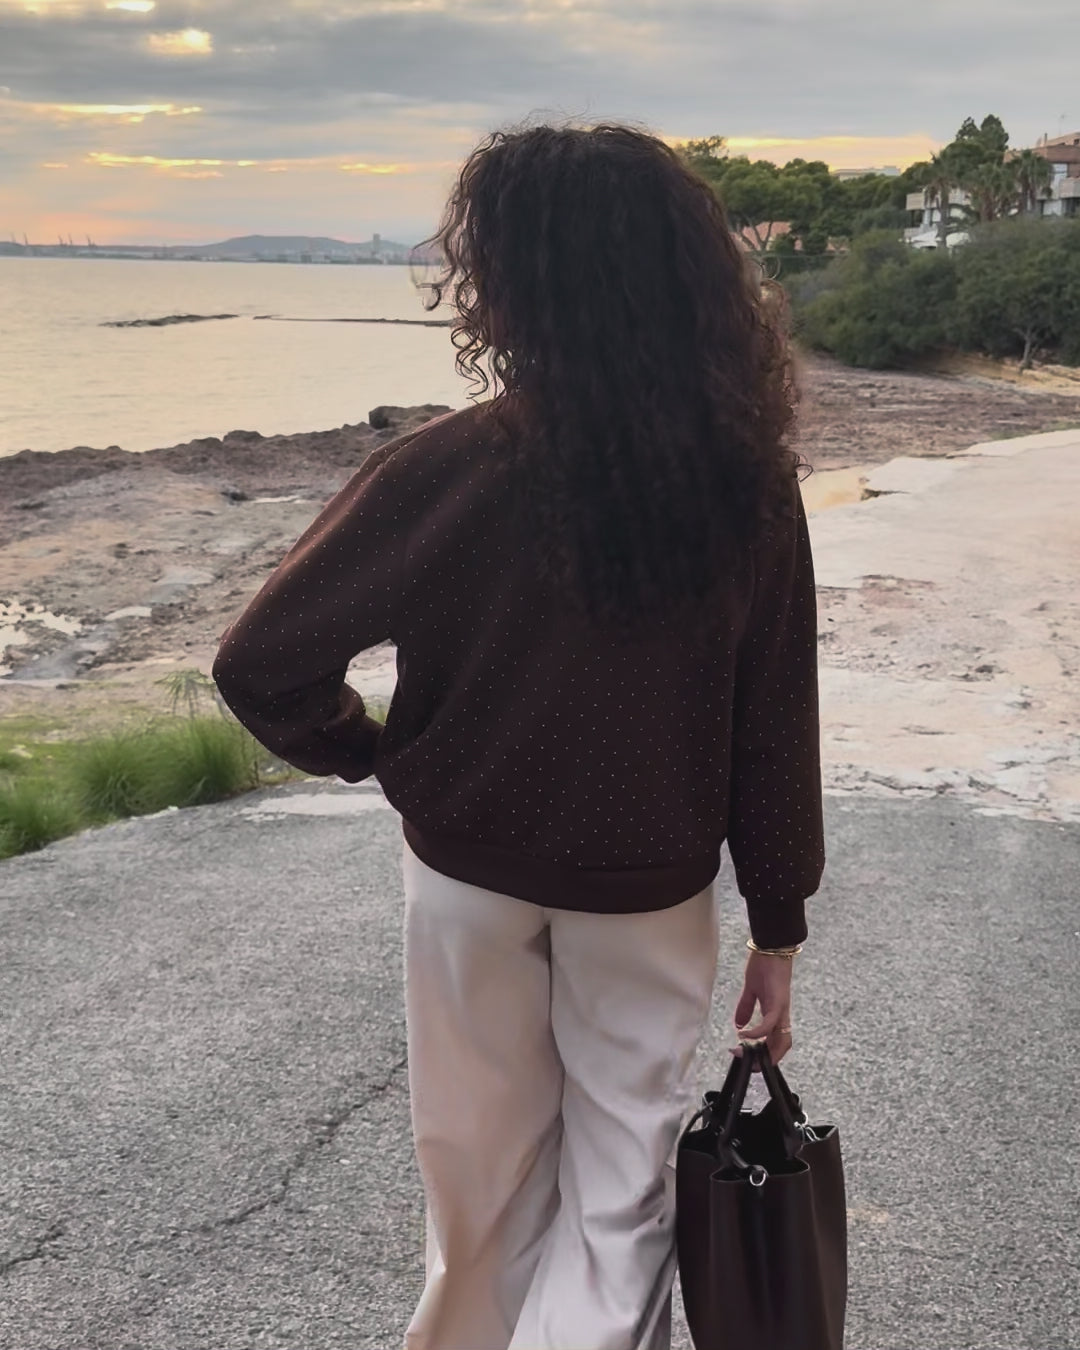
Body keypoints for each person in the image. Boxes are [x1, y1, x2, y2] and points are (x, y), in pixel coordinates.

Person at [212, 119, 825, 1350]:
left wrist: (373, 752)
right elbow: (775, 725)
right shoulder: (746, 485)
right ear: (688, 275)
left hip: (466, 882)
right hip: (647, 894)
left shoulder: (445, 468)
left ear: (509, 279)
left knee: (477, 1183)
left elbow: (259, 661)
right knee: (624, 1190)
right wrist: (777, 924)